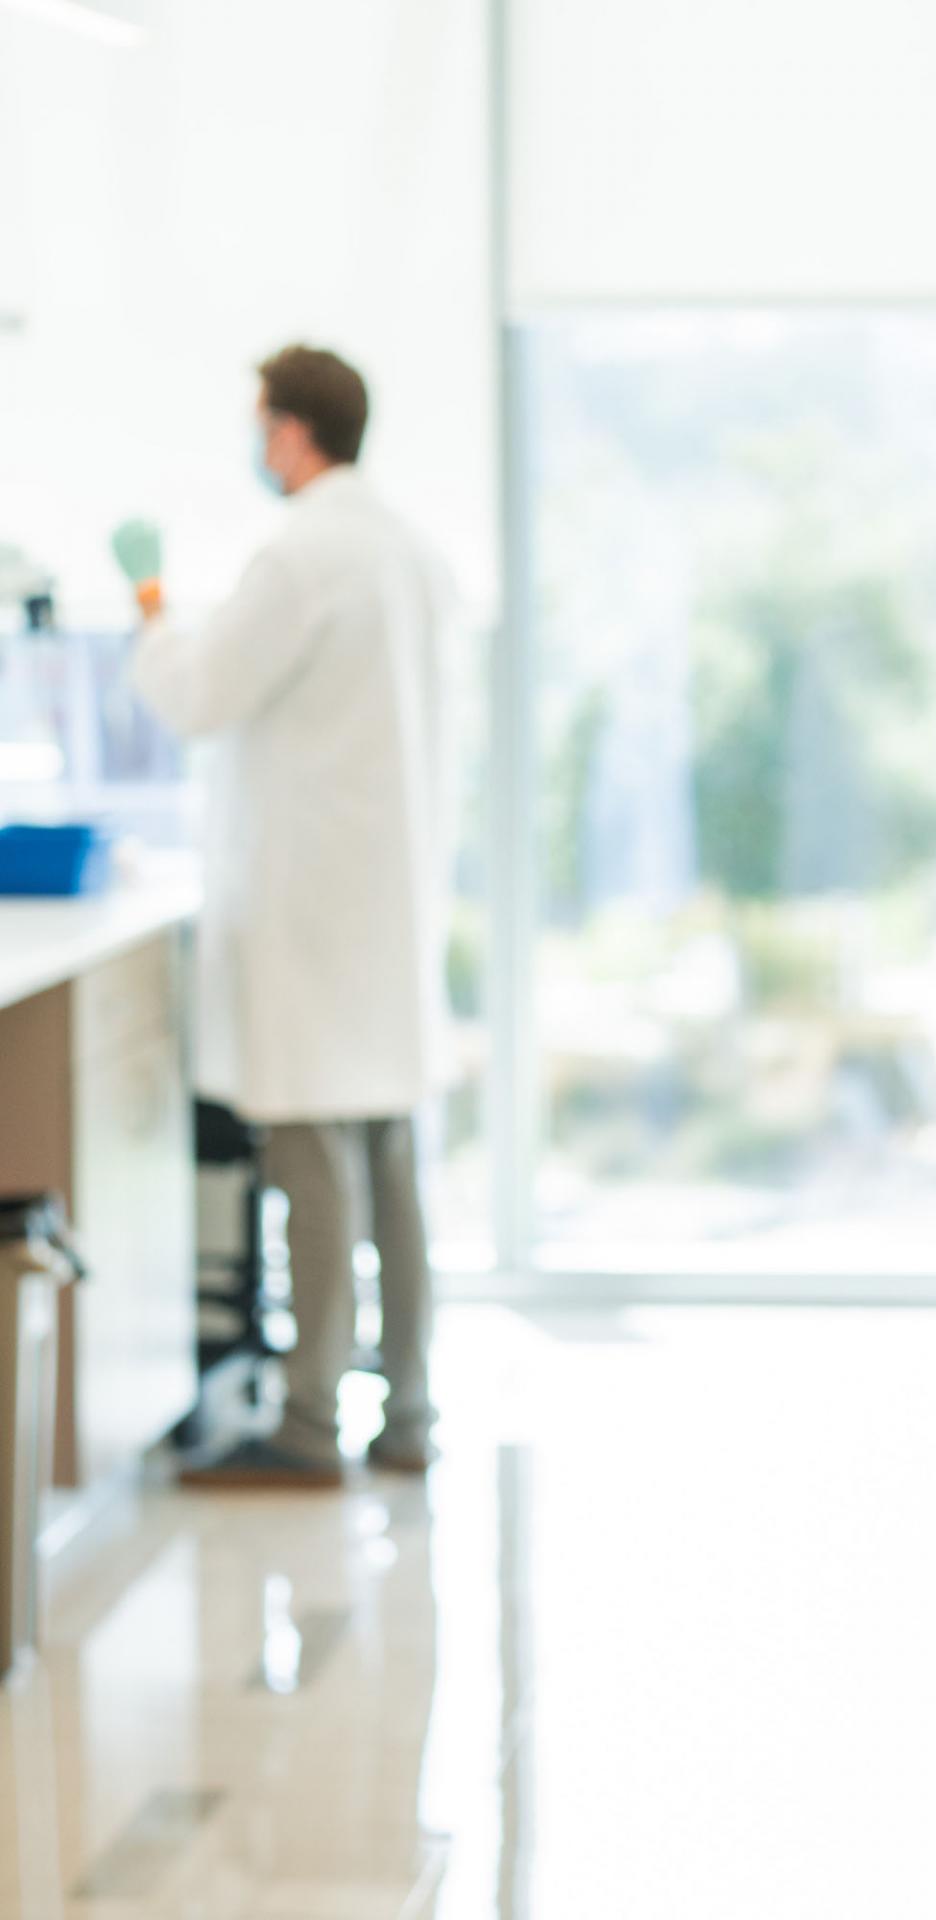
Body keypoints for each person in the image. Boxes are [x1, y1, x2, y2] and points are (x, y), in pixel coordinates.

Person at [111, 344, 452, 1489]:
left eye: (261, 424)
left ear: (293, 431)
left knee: (313, 1161)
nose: (256, 447)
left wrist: (153, 607)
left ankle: (308, 1427)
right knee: (389, 1160)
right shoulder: (407, 551)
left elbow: (201, 695)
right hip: (382, 901)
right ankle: (405, 1412)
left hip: (312, 909)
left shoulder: (301, 553)